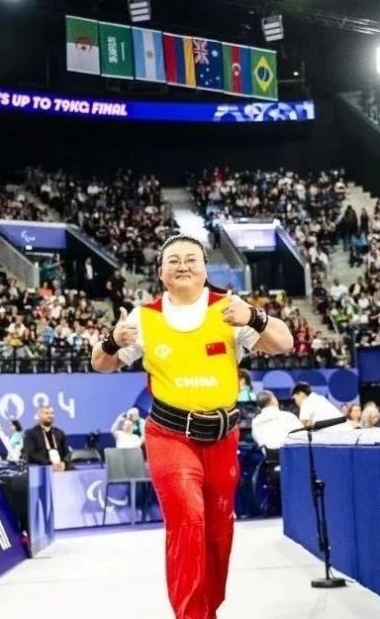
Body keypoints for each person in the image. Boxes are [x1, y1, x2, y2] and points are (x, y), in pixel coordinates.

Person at [90, 234, 293, 619]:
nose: (182, 265)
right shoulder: (143, 317)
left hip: (222, 439)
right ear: (160, 272)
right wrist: (112, 341)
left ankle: (207, 610)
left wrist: (255, 316)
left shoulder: (229, 309)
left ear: (205, 267)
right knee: (187, 523)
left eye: (191, 259)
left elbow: (284, 343)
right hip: (169, 437)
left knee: (218, 532)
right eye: (173, 260)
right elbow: (100, 363)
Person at [23, 405, 71, 471]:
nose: (50, 415)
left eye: (52, 413)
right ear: (39, 416)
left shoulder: (60, 433)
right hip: (42, 468)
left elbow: (67, 452)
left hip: (62, 468)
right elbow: (30, 454)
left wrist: (64, 462)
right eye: (47, 413)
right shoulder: (30, 433)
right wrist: (50, 465)